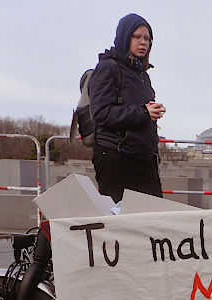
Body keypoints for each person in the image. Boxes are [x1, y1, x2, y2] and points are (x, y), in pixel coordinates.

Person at [88, 13, 165, 203]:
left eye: (147, 39)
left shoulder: (143, 76)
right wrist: (144, 112)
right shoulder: (107, 68)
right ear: (125, 37)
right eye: (137, 37)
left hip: (144, 161)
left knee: (155, 218)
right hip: (116, 159)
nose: (143, 42)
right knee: (118, 225)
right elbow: (101, 114)